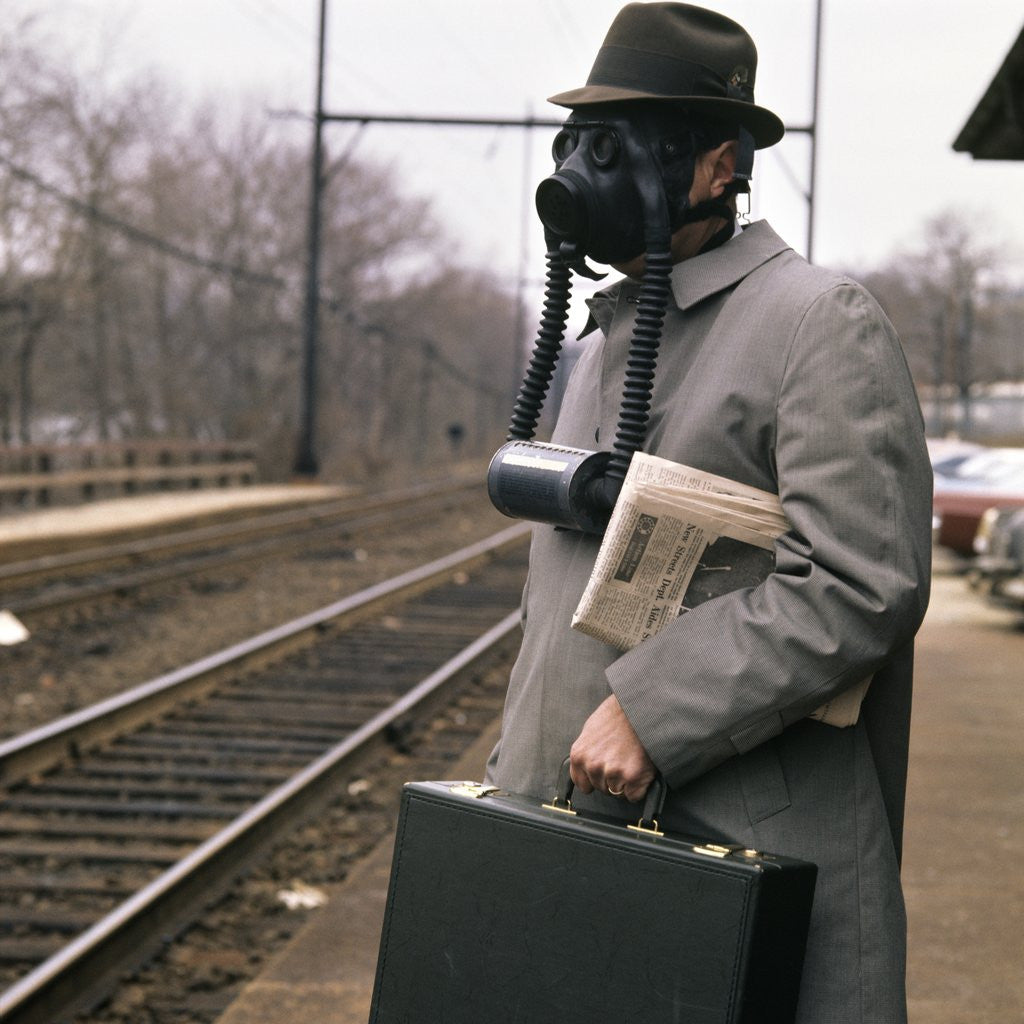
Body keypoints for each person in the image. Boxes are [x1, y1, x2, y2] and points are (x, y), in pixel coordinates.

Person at [484, 3, 933, 1022]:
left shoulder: (817, 321)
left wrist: (654, 708)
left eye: (622, 144)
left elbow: (860, 582)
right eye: (579, 140)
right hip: (573, 831)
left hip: (736, 847)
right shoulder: (597, 344)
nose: (586, 167)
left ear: (718, 165)